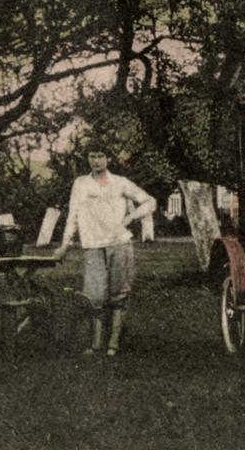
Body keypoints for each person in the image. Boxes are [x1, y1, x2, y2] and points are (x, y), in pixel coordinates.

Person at [53, 146, 155, 356]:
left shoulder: (120, 182)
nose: (96, 160)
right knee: (94, 297)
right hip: (92, 246)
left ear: (108, 159)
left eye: (100, 156)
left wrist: (131, 217)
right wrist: (64, 245)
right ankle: (95, 344)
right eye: (92, 156)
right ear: (88, 159)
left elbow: (150, 201)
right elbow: (72, 215)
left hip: (119, 243)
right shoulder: (81, 183)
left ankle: (113, 345)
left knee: (119, 296)